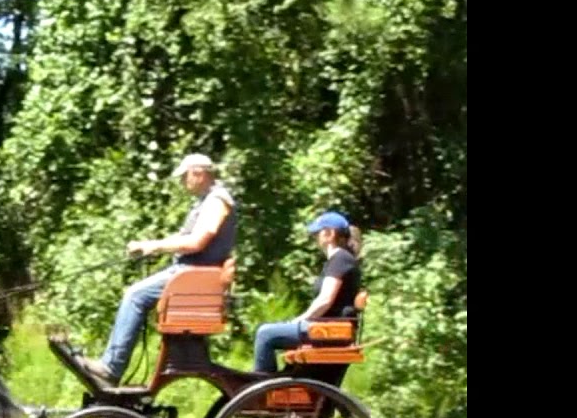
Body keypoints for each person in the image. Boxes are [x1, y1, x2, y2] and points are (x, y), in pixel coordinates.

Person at [76, 152, 238, 386]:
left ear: (198, 173)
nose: (183, 182)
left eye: (185, 177)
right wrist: (150, 247)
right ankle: (112, 364)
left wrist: (154, 247)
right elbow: (187, 238)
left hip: (193, 275)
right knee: (136, 293)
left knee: (135, 295)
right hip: (189, 273)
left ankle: (112, 367)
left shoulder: (216, 201)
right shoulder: (207, 201)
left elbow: (196, 242)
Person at [251, 210, 363, 373]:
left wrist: (301, 320)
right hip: (327, 328)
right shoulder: (339, 260)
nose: (315, 238)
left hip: (329, 331)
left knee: (265, 334)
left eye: (317, 233)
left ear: (330, 234)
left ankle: (261, 385)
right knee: (269, 331)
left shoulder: (340, 259)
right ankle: (270, 383)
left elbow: (325, 300)